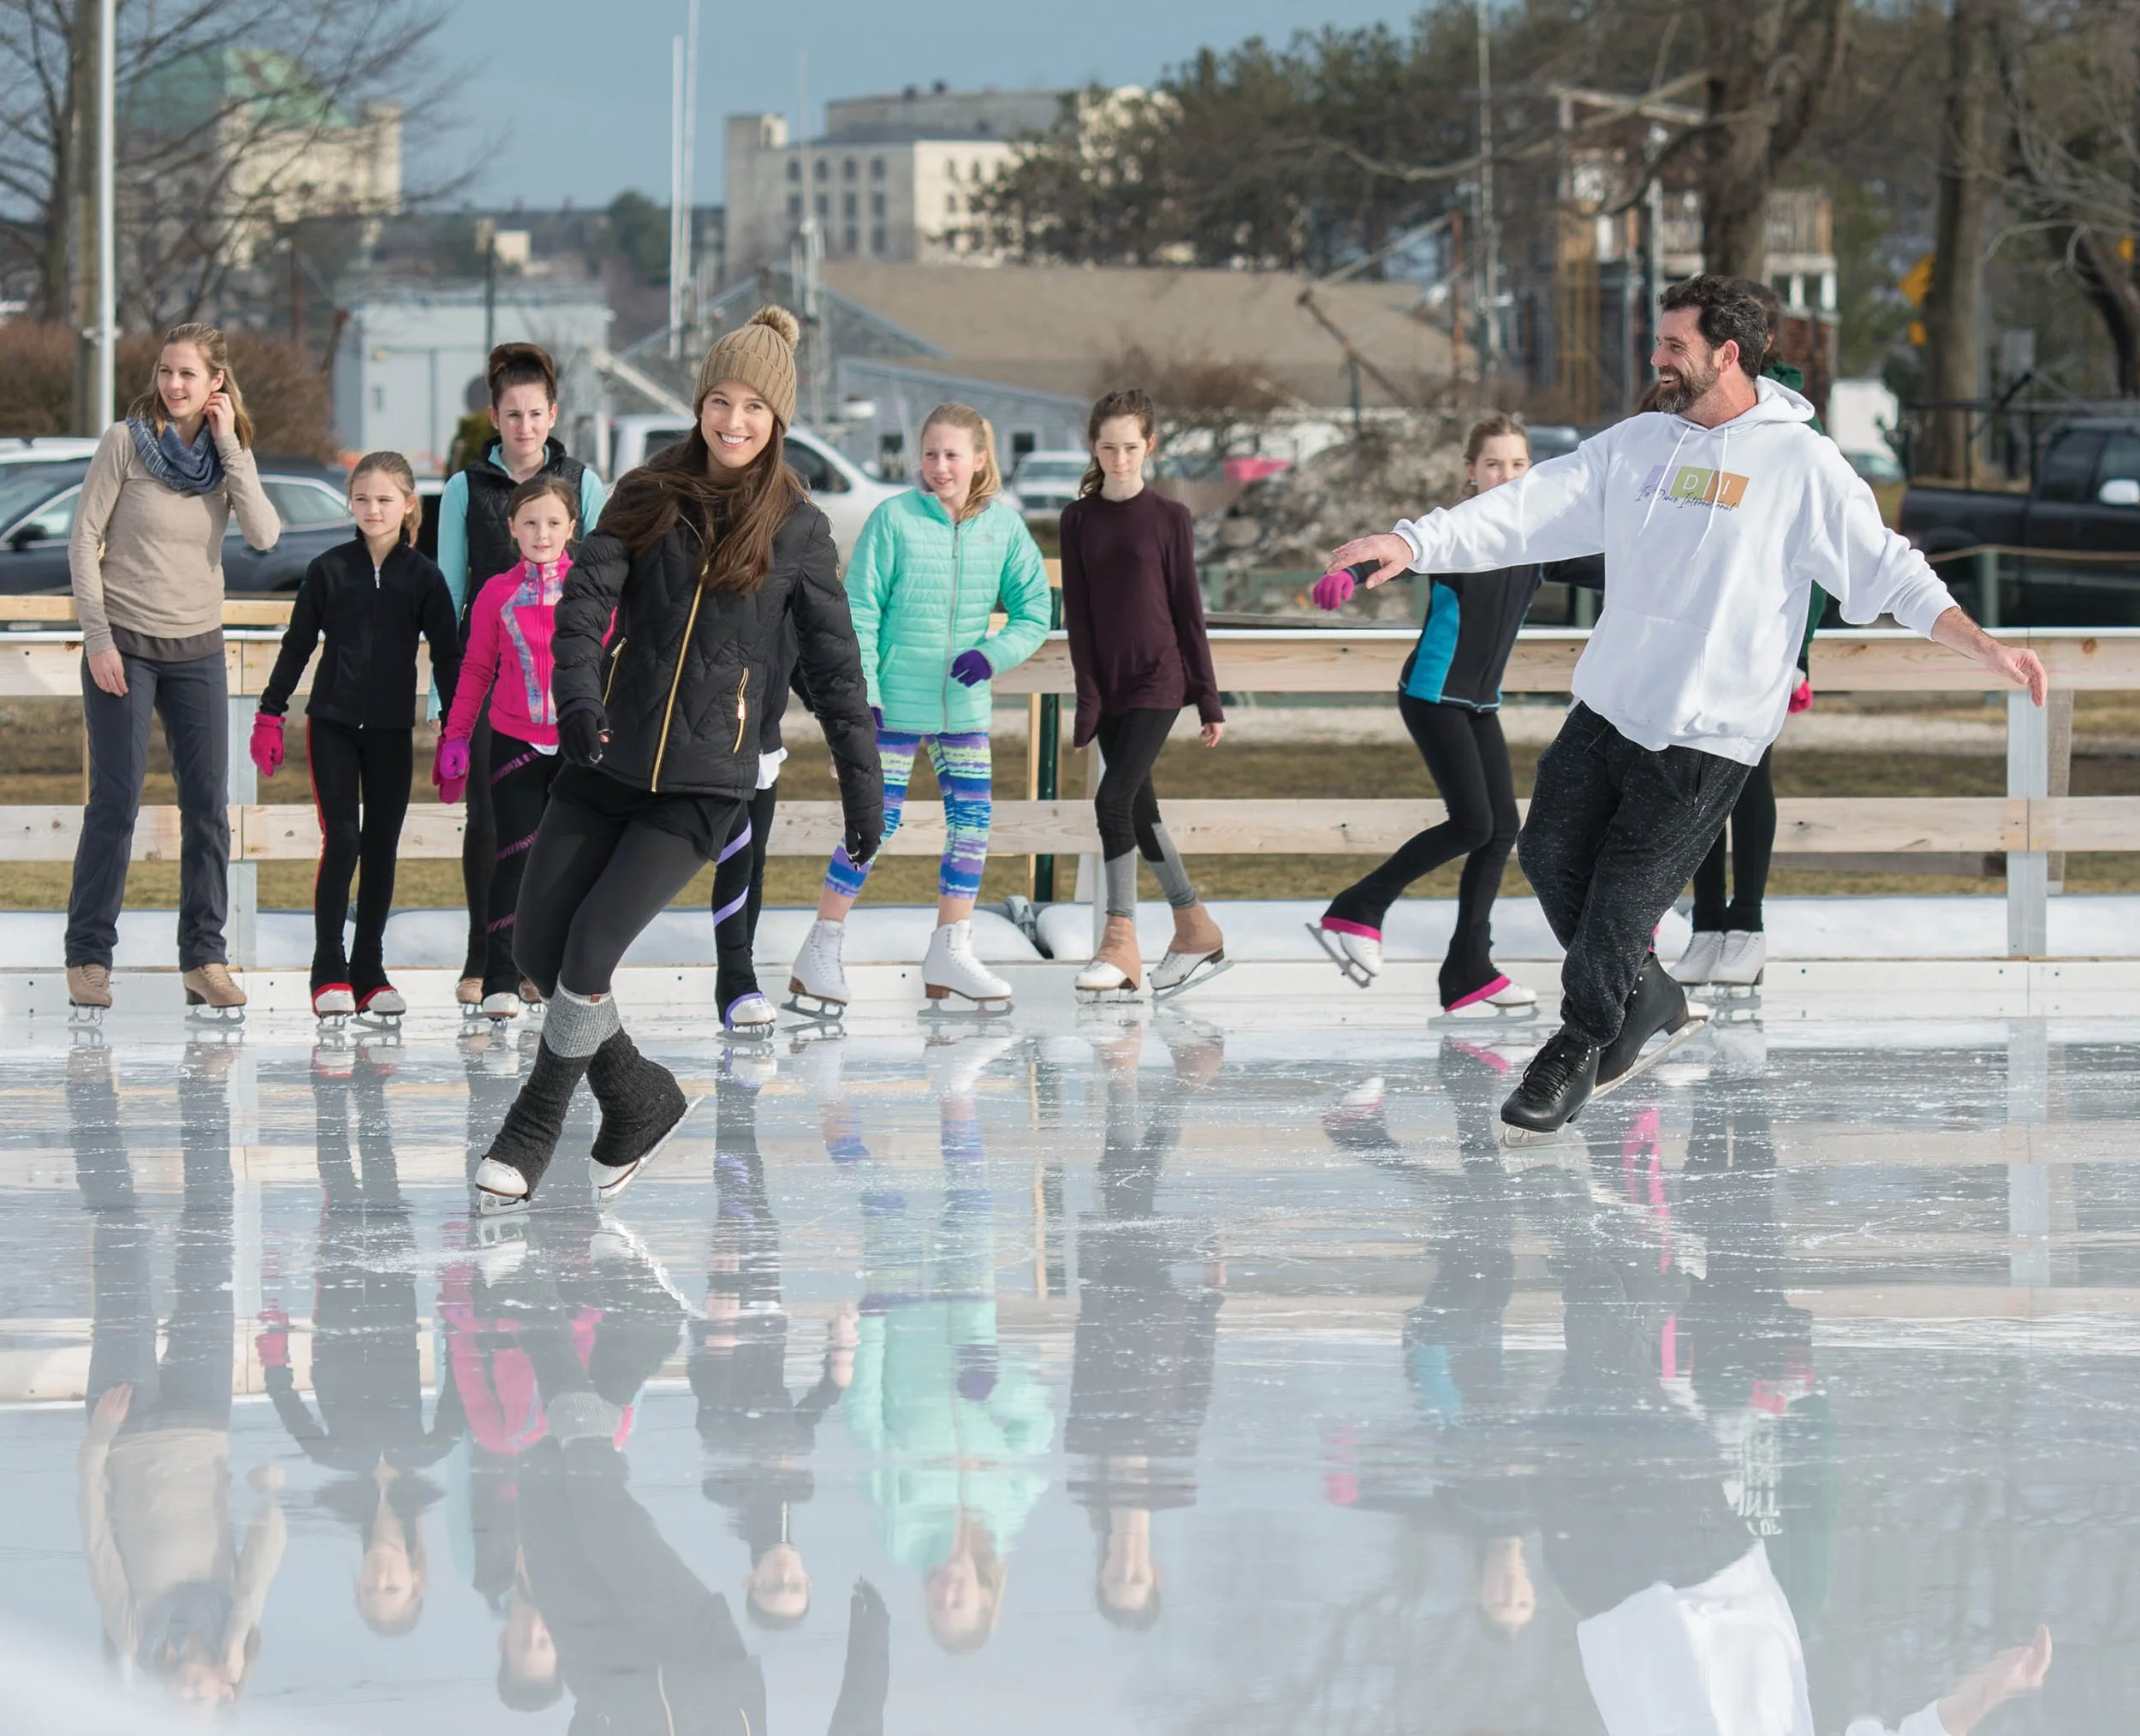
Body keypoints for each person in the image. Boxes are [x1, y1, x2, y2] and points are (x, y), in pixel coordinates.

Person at [1330, 274, 2048, 1137]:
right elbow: (1529, 507)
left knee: (1620, 905)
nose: (1655, 358)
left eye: (1673, 345)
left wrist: (1984, 645)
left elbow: (1886, 568)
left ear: (1727, 355)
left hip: (1710, 734)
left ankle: (1585, 1039)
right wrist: (1411, 541)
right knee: (1550, 852)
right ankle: (1651, 996)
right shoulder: (1640, 444)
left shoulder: (1799, 463)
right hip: (1610, 706)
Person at [471, 307, 882, 1209]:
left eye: (754, 410)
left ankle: (534, 1122)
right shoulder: (646, 490)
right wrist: (577, 698)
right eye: (719, 403)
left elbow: (835, 670)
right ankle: (638, 1096)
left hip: (702, 786)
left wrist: (865, 786)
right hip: (606, 758)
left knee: (587, 950)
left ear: (777, 422)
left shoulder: (797, 529)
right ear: (700, 403)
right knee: (536, 947)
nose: (733, 423)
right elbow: (583, 604)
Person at [1311, 415, 1590, 1017]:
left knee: (1500, 832)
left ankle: (1468, 967)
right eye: (1493, 464)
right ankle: (1360, 907)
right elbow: (1402, 555)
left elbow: (1615, 566)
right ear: (1471, 471)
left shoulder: (1537, 542)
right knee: (1472, 824)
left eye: (1517, 465)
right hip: (1433, 697)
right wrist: (1350, 575)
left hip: (1479, 705)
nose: (1506, 475)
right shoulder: (1460, 535)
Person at [789, 402, 1052, 1015]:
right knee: (872, 824)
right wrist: (868, 700)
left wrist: (992, 656)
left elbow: (1035, 611)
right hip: (894, 708)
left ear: (979, 459)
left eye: (952, 455)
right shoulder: (894, 519)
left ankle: (950, 951)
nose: (939, 466)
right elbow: (861, 613)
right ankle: (820, 948)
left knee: (973, 829)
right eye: (930, 454)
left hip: (964, 706)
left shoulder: (1003, 528)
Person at [65, 322, 281, 1018]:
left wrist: (230, 446)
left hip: (198, 649)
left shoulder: (227, 455)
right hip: (122, 644)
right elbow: (83, 539)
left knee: (208, 810)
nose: (174, 385)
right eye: (166, 372)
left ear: (216, 383)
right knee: (115, 804)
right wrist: (97, 639)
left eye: (188, 374)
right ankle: (90, 957)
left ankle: (205, 959)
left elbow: (264, 535)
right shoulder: (125, 442)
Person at [71, 1039, 286, 1704]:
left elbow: (94, 1530)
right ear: (227, 1694)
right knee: (210, 1232)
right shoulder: (234, 1619)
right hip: (202, 1419)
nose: (190, 1695)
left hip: (127, 1426)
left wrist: (101, 1440)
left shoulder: (136, 1635)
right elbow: (269, 1537)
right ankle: (205, 1086)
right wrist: (234, 1640)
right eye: (207, 1707)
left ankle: (91, 1093)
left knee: (123, 1241)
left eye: (179, 1709)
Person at [258, 1047, 458, 1636]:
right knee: (383, 1175)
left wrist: (277, 1326)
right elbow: (461, 1375)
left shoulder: (333, 1463)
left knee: (339, 1180)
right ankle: (369, 1087)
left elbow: (281, 1391)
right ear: (416, 1578)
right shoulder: (426, 1459)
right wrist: (456, 1301)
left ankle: (328, 1089)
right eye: (392, 1586)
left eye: (370, 1588)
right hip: (395, 1296)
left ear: (357, 1580)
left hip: (339, 1293)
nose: (380, 1575)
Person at [253, 453, 461, 1021]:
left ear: (408, 505)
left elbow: (448, 653)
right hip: (334, 726)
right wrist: (270, 713)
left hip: (393, 731)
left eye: (386, 500)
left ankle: (369, 969)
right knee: (343, 838)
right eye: (364, 498)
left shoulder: (423, 577)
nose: (374, 509)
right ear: (351, 501)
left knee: (383, 845)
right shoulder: (328, 569)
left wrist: (456, 730)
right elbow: (297, 644)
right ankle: (329, 967)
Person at [435, 343, 608, 1012]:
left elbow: (600, 583)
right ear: (494, 417)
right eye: (512, 415)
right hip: (490, 679)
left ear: (553, 414)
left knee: (563, 826)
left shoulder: (582, 483)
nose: (525, 427)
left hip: (564, 693)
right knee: (492, 822)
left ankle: (542, 960)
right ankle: (486, 957)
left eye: (536, 414)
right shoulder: (466, 488)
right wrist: (443, 694)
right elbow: (453, 590)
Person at [1676, 279, 1828, 993]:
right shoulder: (1690, 409)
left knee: (1745, 776)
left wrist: (1798, 655)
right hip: (1694, 635)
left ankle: (1748, 922)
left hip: (1761, 638)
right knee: (1691, 781)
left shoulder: (1794, 429)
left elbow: (1821, 554)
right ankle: (1707, 920)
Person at [1058, 387, 1230, 1002]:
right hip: (1110, 687)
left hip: (1160, 677)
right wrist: (1088, 700)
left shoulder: (1169, 519)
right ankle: (1195, 929)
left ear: (1149, 446)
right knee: (1138, 810)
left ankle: (1120, 941)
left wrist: (1209, 700)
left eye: (1131, 447)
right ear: (1094, 448)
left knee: (1112, 801)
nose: (1120, 458)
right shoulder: (1077, 519)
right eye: (1109, 447)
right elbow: (1079, 619)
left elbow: (1188, 612)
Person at [437, 473, 580, 1020]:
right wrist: (455, 735)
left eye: (552, 523)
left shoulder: (590, 589)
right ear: (512, 527)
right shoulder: (496, 593)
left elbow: (615, 662)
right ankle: (498, 974)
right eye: (530, 523)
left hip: (575, 745)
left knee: (568, 861)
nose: (541, 534)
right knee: (513, 856)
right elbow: (475, 668)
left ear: (571, 527)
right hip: (515, 740)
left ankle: (555, 975)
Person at [707, 615, 804, 1033]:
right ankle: (736, 983)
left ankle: (737, 975)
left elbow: (809, 663)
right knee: (738, 857)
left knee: (754, 862)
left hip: (764, 741)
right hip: (716, 741)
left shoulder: (792, 579)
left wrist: (843, 732)